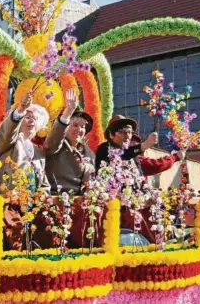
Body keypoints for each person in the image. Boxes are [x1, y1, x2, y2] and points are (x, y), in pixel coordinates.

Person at [96, 115, 186, 243]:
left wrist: (175, 157)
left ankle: (160, 242)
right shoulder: (105, 149)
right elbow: (122, 155)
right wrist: (144, 146)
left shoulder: (135, 157)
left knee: (155, 212)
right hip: (117, 207)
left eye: (129, 132)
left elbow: (153, 165)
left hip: (138, 202)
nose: (127, 136)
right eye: (122, 132)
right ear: (111, 135)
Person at [0, 91, 51, 250]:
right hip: (7, 205)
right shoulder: (7, 143)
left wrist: (42, 195)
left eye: (35, 118)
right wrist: (20, 109)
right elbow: (7, 132)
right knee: (12, 247)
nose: (31, 120)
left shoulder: (39, 152)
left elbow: (44, 183)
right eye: (27, 116)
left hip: (31, 207)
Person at [44, 89, 95, 194]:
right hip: (57, 198)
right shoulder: (57, 144)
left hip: (83, 201)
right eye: (75, 125)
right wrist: (67, 114)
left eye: (83, 127)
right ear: (65, 127)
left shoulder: (88, 152)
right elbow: (52, 141)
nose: (79, 130)